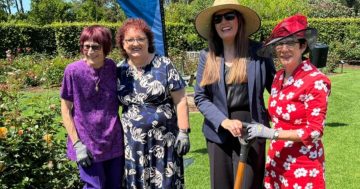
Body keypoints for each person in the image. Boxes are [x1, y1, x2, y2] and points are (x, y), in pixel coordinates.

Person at [193, 0, 276, 188]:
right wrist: (224, 121)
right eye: (218, 18)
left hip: (252, 130)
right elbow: (200, 96)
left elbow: (276, 89)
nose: (224, 22)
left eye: (229, 16)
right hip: (218, 132)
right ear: (214, 26)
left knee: (250, 184)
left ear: (239, 20)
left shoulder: (259, 52)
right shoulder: (207, 55)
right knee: (221, 184)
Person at [247, 14, 331, 189]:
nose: (283, 48)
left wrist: (271, 133)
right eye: (279, 43)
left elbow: (314, 131)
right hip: (277, 160)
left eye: (290, 42)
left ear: (302, 46)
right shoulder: (278, 77)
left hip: (303, 164)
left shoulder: (316, 81)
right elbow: (279, 114)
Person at [116, 18, 190, 189]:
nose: (136, 43)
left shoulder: (164, 64)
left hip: (165, 143)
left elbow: (180, 100)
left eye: (140, 39)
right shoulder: (119, 70)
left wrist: (184, 132)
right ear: (122, 44)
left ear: (148, 41)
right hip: (133, 146)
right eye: (130, 40)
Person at [60, 25, 124, 189]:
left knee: (115, 185)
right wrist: (77, 144)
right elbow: (66, 109)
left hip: (114, 142)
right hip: (86, 143)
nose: (90, 51)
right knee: (94, 186)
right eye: (85, 46)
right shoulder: (73, 71)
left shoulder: (112, 68)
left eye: (95, 47)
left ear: (106, 47)